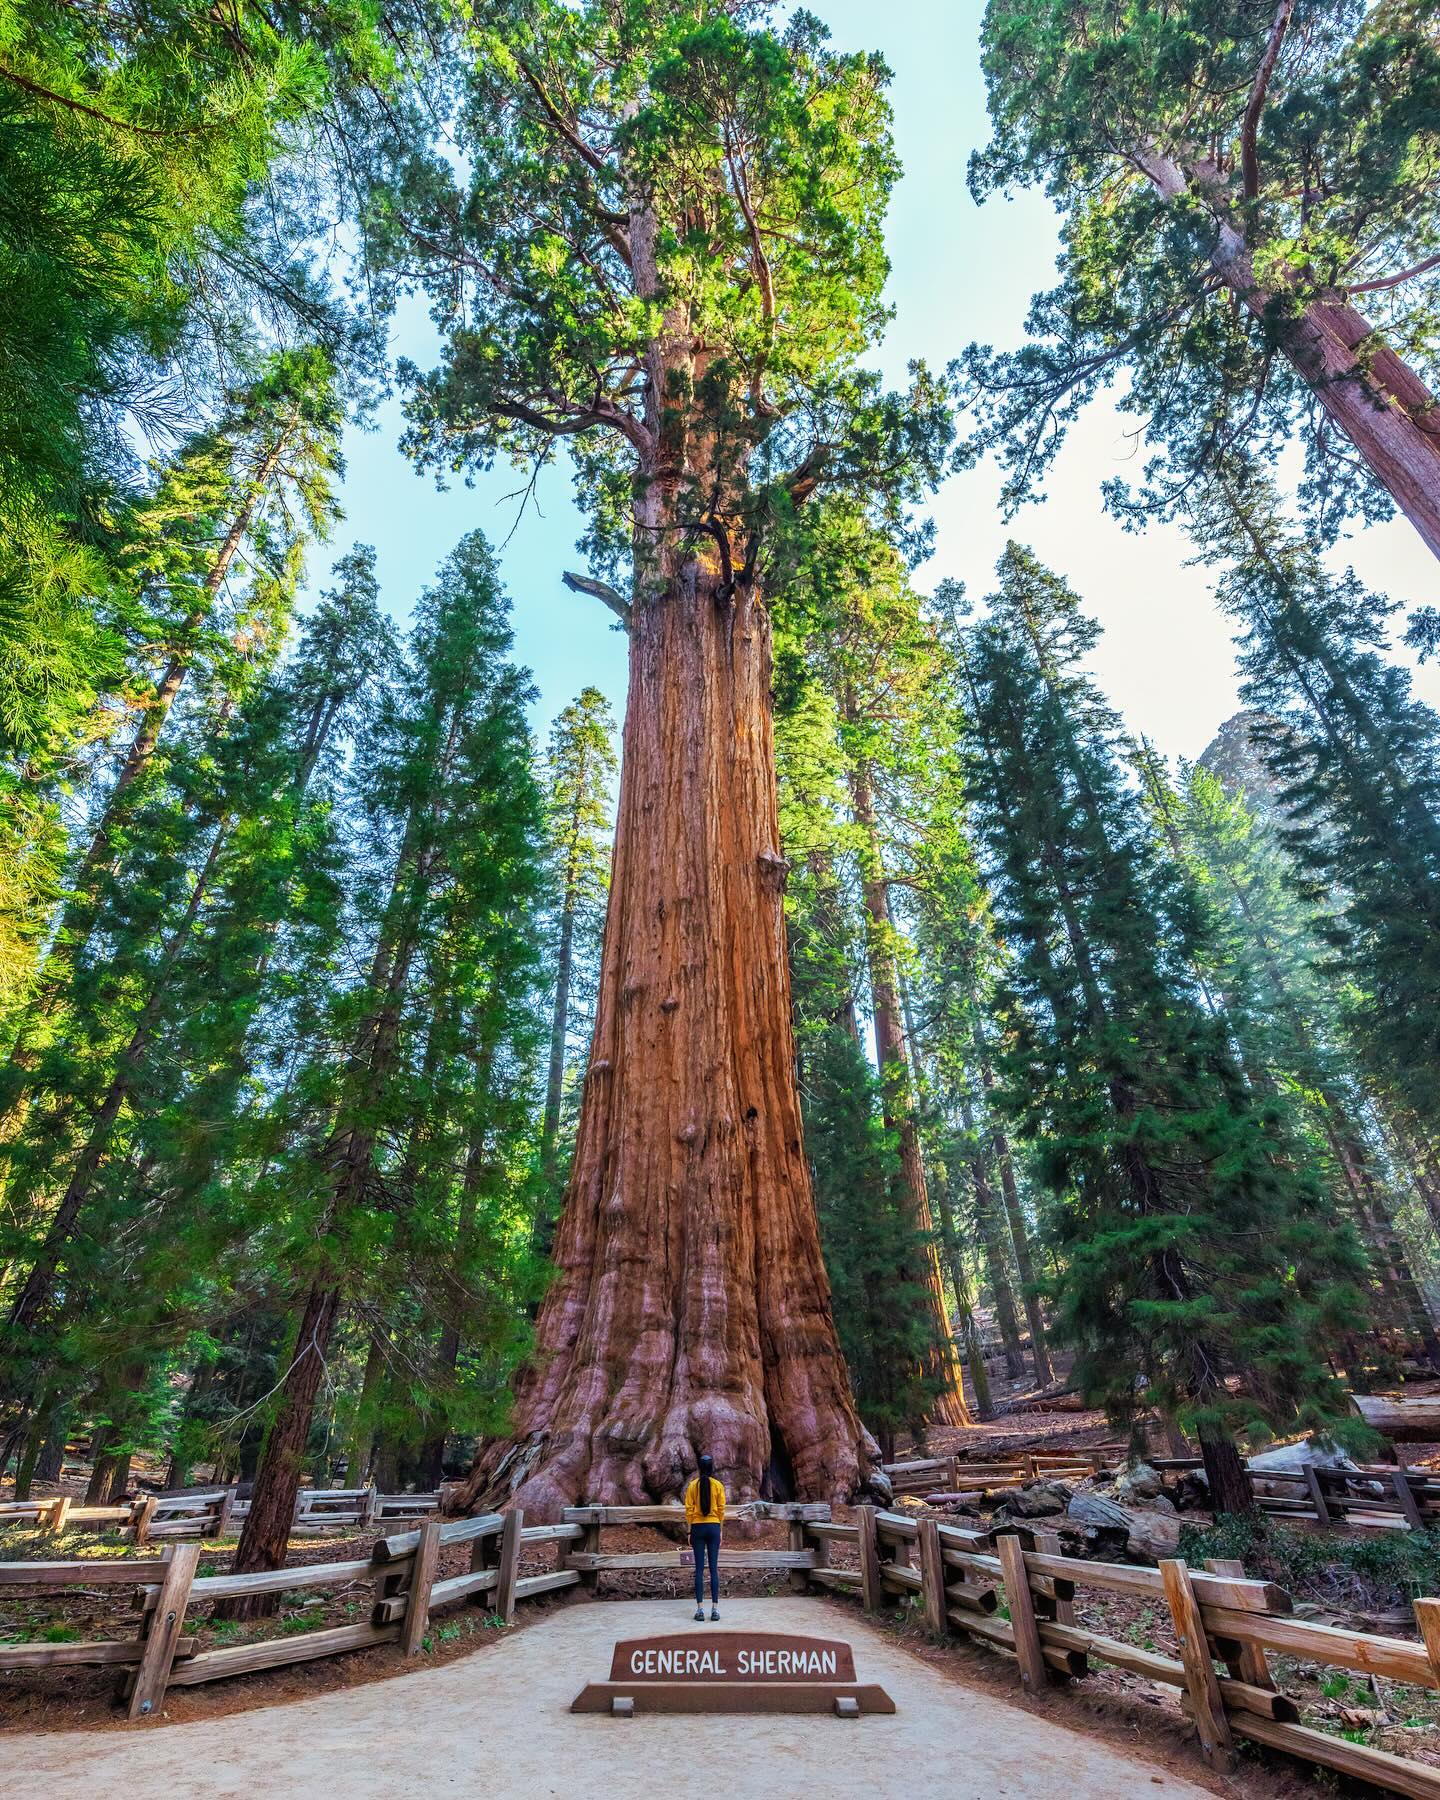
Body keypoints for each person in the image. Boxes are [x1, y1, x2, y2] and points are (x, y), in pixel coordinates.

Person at [684, 1453, 725, 1621]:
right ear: (712, 1468)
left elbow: (688, 1510)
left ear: (699, 1468)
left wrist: (689, 1531)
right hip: (714, 1526)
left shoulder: (692, 1486)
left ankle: (700, 1610)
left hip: (697, 1528)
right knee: (713, 1569)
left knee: (699, 1570)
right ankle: (715, 1610)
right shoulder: (718, 1485)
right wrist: (720, 1530)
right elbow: (722, 1510)